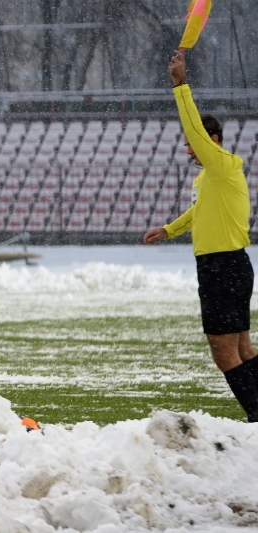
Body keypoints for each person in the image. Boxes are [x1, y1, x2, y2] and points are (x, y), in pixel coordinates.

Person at [144, 50, 258, 422]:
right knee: (243, 348)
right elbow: (199, 212)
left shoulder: (223, 165)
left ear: (212, 139)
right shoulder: (208, 178)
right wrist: (168, 229)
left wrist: (180, 84)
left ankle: (257, 417)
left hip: (223, 266)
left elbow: (193, 128)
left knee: (223, 353)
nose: (188, 148)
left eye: (193, 142)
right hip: (230, 265)